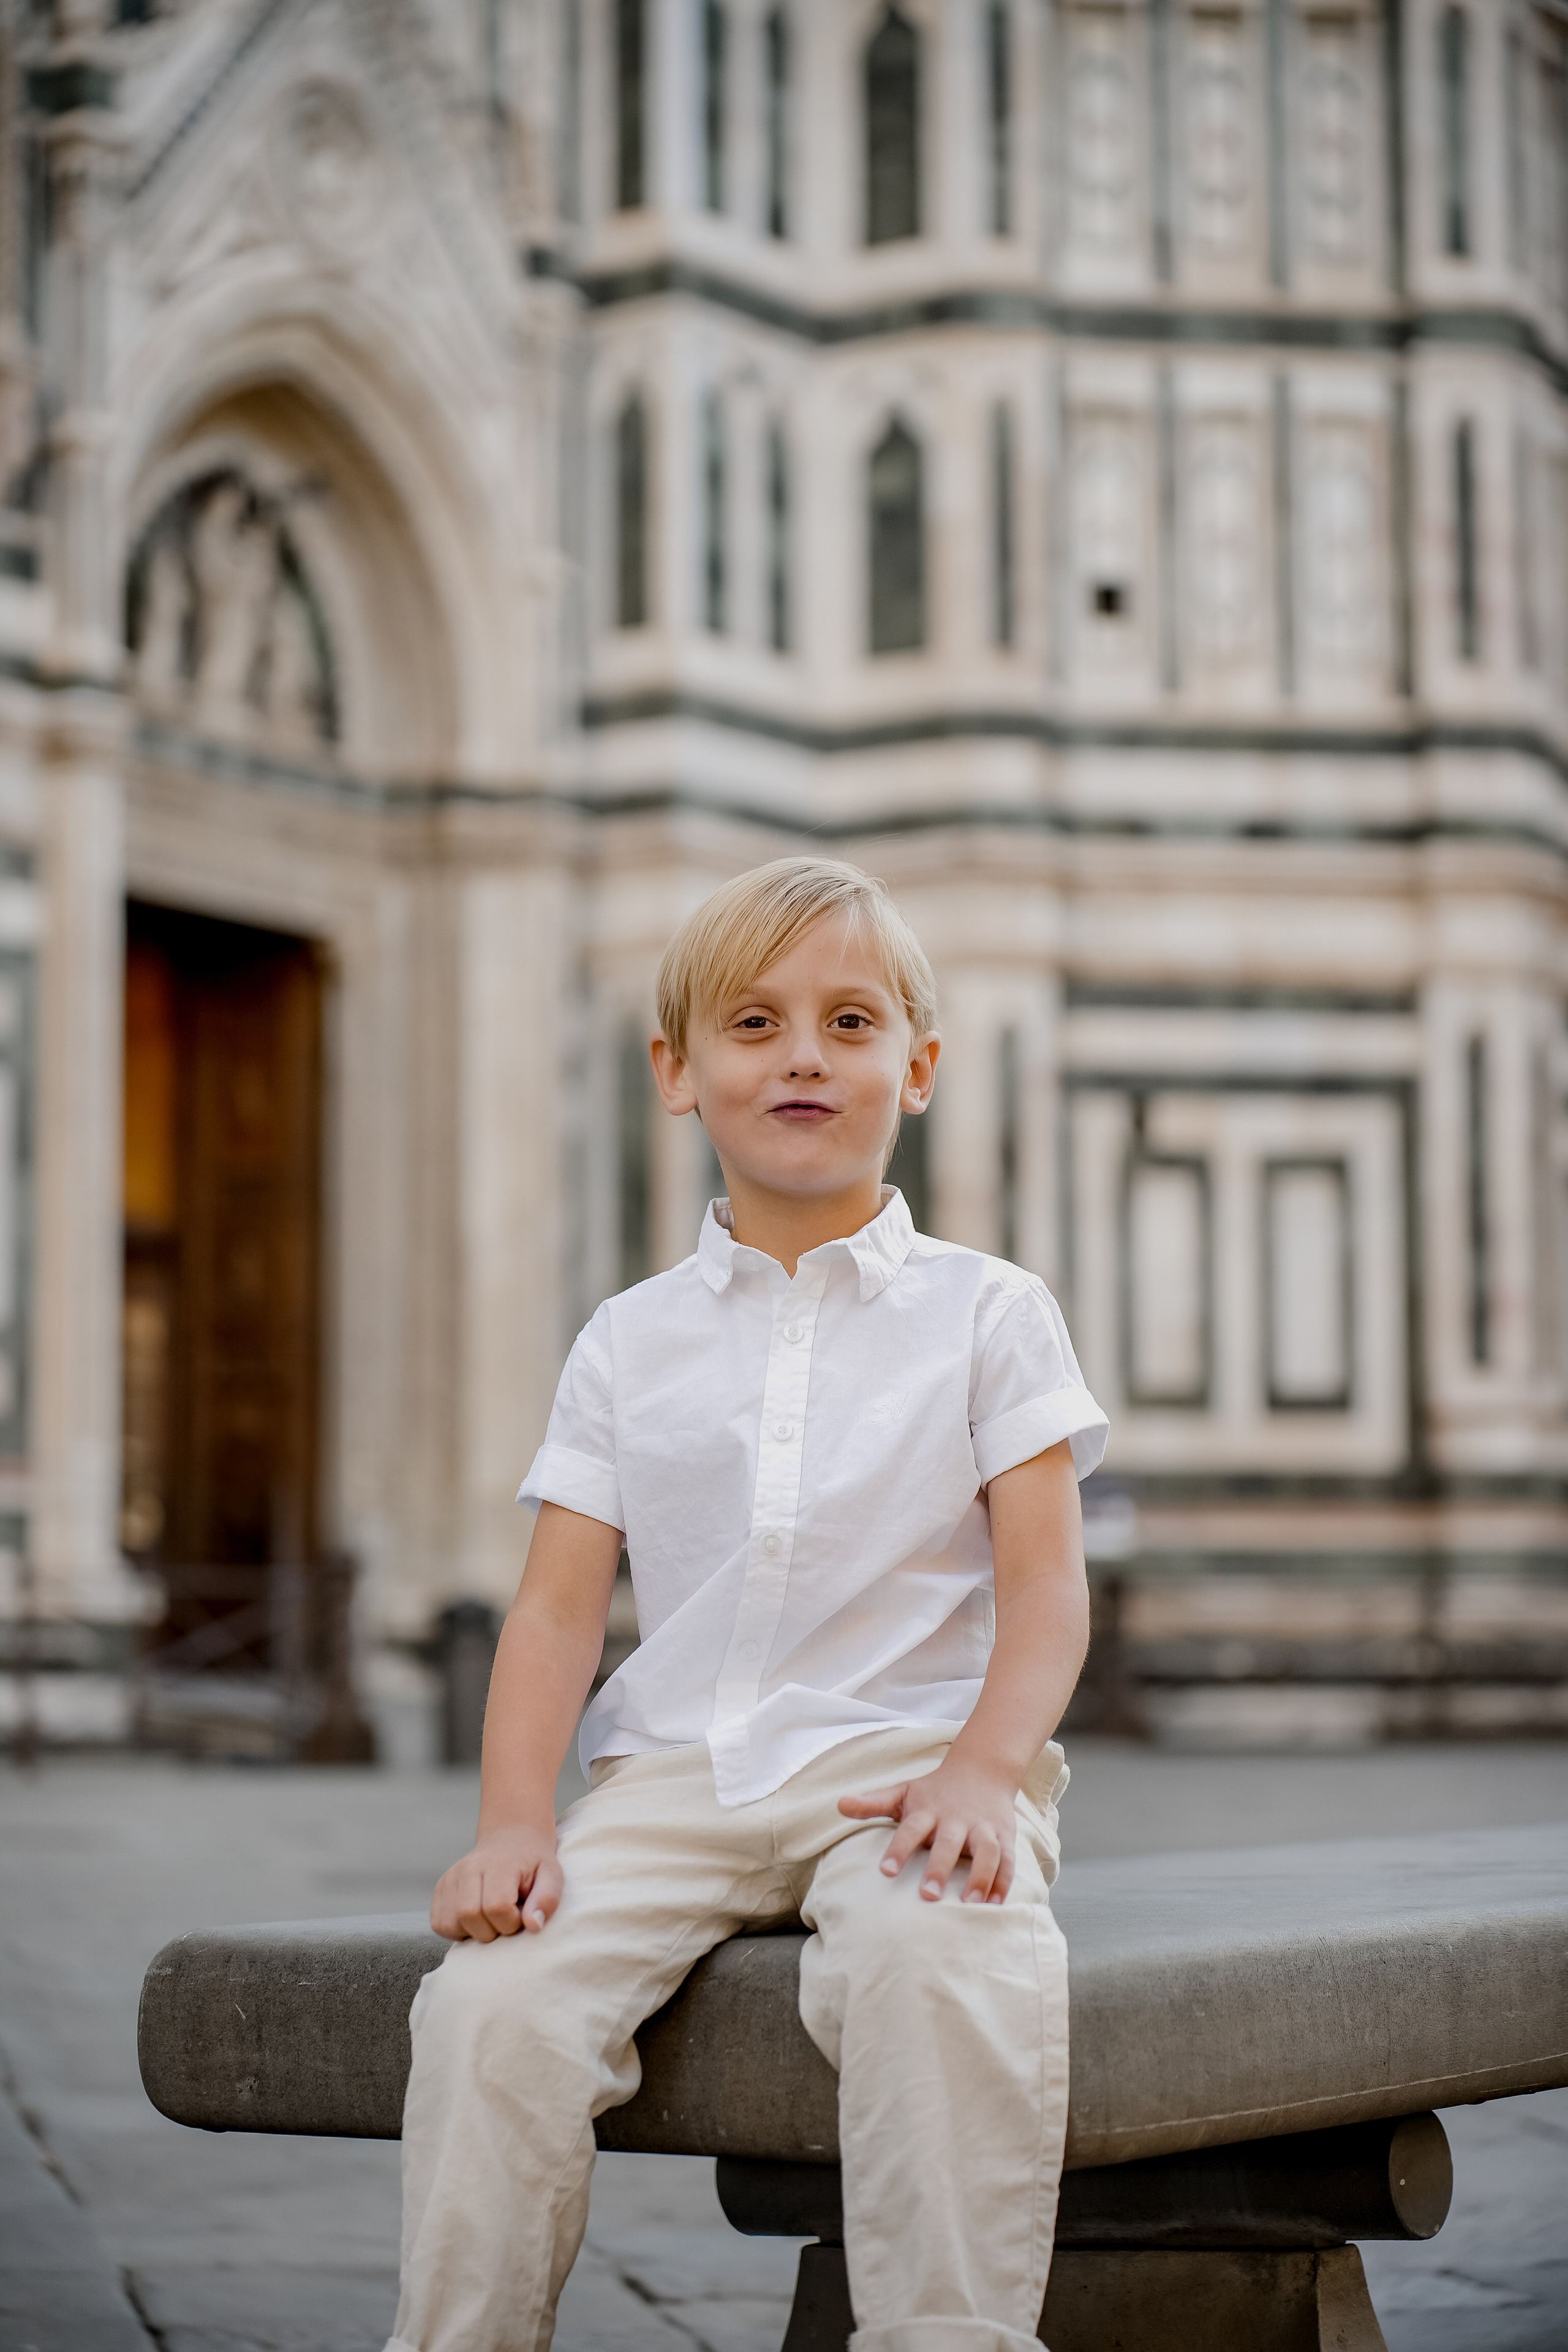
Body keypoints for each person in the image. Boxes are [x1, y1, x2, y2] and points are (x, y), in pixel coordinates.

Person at [388, 856, 1108, 2352]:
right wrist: (517, 1821)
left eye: (849, 1023)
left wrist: (982, 1771)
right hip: (673, 1783)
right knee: (486, 2014)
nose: (799, 1055)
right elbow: (554, 1617)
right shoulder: (623, 1341)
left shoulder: (988, 1312)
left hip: (904, 1768)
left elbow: (1045, 1588)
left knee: (942, 1967)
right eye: (753, 1022)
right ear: (676, 1071)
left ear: (914, 1067)